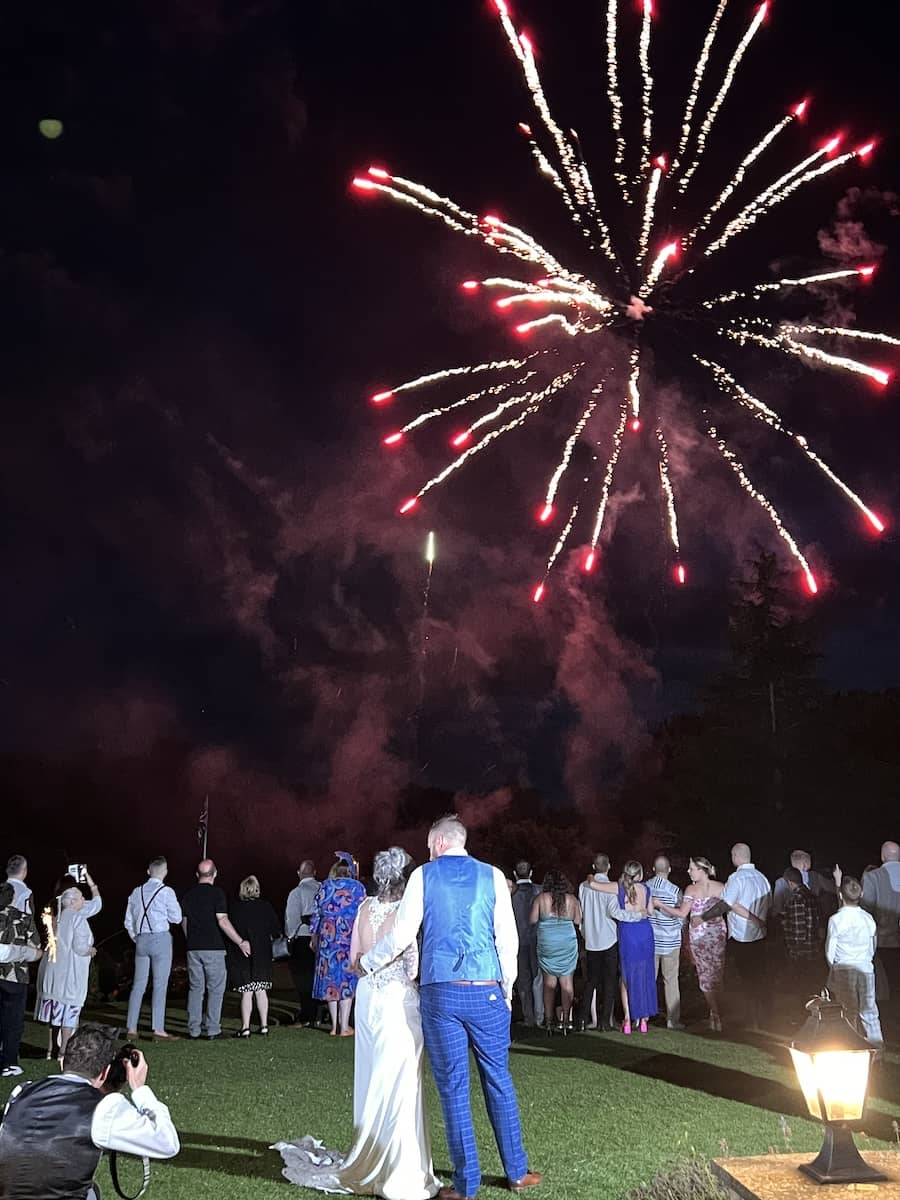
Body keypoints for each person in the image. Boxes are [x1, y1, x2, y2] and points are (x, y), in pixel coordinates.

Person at [360, 814, 540, 1200]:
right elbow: (506, 938)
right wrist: (506, 990)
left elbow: (402, 934)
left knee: (454, 1088)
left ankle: (466, 1184)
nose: (427, 852)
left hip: (441, 994)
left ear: (440, 843)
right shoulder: (493, 875)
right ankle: (517, 1172)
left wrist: (366, 961)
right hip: (486, 989)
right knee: (499, 1080)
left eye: (428, 845)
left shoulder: (423, 876)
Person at [275, 847, 440, 1199]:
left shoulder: (365, 907)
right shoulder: (406, 912)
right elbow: (412, 965)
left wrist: (370, 965)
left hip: (367, 998)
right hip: (397, 999)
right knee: (401, 1079)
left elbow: (352, 959)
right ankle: (398, 1164)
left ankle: (370, 1152)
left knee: (371, 1074)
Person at [0, 1023, 179, 1199]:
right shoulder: (103, 1107)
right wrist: (140, 1089)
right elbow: (167, 1143)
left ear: (63, 1063)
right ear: (104, 1073)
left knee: (91, 1189)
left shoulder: (21, 1091)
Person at [655, 857, 752, 1032]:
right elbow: (735, 906)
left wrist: (659, 904)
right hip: (716, 935)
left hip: (701, 936)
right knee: (716, 974)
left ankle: (715, 1012)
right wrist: (754, 918)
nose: (688, 872)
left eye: (691, 868)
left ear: (701, 870)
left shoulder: (691, 889)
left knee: (706, 976)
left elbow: (681, 913)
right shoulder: (721, 887)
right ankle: (715, 1012)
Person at [34, 872, 102, 1062]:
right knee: (69, 1014)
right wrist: (90, 950)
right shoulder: (77, 918)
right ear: (72, 900)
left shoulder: (57, 914)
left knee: (54, 1014)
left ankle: (50, 1050)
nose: (84, 900)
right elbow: (79, 947)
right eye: (81, 897)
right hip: (70, 974)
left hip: (53, 970)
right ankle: (64, 1051)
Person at [181, 859, 250, 1041]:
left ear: (197, 875)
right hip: (213, 947)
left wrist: (191, 939)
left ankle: (194, 1030)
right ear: (215, 873)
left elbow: (185, 922)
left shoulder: (188, 895)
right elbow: (223, 920)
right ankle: (213, 1029)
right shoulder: (217, 894)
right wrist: (240, 941)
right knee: (215, 989)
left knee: (196, 989)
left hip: (193, 948)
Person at [585, 861, 655, 1034]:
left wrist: (590, 875)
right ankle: (643, 1019)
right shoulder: (646, 889)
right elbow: (651, 911)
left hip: (628, 933)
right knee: (644, 973)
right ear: (639, 875)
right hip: (645, 932)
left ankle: (627, 1019)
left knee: (626, 977)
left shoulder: (618, 887)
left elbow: (593, 885)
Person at [577, 854, 641, 1033]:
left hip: (591, 940)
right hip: (609, 939)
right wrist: (637, 916)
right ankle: (605, 1021)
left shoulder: (583, 887)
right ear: (609, 866)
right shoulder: (611, 888)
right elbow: (616, 912)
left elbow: (583, 910)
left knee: (591, 982)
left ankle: (582, 1019)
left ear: (593, 866)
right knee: (610, 981)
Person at [124, 856, 183, 1040]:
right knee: (160, 985)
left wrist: (137, 938)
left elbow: (128, 921)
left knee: (138, 984)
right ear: (165, 872)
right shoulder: (167, 892)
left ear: (148, 871)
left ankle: (131, 1028)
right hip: (160, 939)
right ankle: (158, 1029)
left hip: (141, 939)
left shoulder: (136, 892)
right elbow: (177, 918)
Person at [311, 855, 367, 1037]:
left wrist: (314, 937)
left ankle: (334, 1026)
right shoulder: (358, 888)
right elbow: (364, 914)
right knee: (346, 981)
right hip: (349, 940)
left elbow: (316, 915)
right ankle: (344, 1026)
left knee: (330, 981)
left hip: (328, 940)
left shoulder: (325, 886)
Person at [826, 874, 883, 1045]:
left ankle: (852, 1045)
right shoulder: (868, 919)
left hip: (844, 968)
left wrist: (833, 967)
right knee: (870, 1011)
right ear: (862, 894)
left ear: (841, 896)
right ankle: (877, 1048)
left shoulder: (836, 920)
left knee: (848, 1010)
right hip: (865, 968)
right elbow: (873, 945)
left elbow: (830, 950)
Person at [722, 843, 772, 1029]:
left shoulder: (736, 878)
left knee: (746, 977)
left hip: (742, 934)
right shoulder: (763, 879)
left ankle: (750, 1017)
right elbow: (770, 903)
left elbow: (729, 903)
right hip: (760, 934)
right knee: (759, 974)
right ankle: (763, 1015)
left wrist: (754, 918)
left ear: (736, 856)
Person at [227, 875, 281, 1037]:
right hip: (263, 953)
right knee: (261, 990)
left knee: (247, 992)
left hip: (243, 952)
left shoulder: (235, 908)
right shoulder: (265, 907)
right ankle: (264, 1025)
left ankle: (245, 1027)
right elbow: (275, 929)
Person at [530, 871, 581, 1033]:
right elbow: (578, 920)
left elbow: (531, 919)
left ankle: (549, 1021)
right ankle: (566, 1020)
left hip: (548, 943)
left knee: (549, 984)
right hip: (567, 943)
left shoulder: (541, 899)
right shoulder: (572, 900)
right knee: (567, 982)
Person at [0, 885, 42, 1078]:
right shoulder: (23, 918)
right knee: (14, 1021)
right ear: (12, 898)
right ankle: (9, 1062)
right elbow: (36, 947)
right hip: (15, 976)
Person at [861, 840, 900, 1017]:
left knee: (885, 989)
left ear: (883, 856)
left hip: (883, 942)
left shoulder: (872, 877)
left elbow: (866, 911)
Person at [647, 855, 685, 1030]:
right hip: (671, 941)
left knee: (649, 979)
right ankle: (672, 1019)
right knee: (671, 980)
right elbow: (682, 915)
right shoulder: (675, 890)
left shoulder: (645, 887)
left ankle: (643, 1017)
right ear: (669, 869)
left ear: (654, 869)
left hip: (652, 941)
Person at [285, 860, 321, 1027]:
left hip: (303, 938)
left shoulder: (297, 892)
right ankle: (319, 1012)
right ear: (314, 872)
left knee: (303, 978)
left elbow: (291, 918)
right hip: (324, 938)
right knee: (318, 977)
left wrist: (290, 937)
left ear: (299, 873)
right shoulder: (323, 888)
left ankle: (306, 1015)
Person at [780, 866, 822, 1003]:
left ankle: (802, 1014)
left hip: (802, 951)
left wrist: (794, 949)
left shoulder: (796, 898)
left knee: (801, 986)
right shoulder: (812, 896)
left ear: (790, 882)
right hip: (814, 948)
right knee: (813, 984)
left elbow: (799, 928)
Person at [510, 861, 542, 1028]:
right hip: (537, 939)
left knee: (523, 981)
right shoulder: (540, 891)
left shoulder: (511, 894)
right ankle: (540, 1015)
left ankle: (528, 1017)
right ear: (531, 873)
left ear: (515, 874)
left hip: (519, 940)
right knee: (538, 978)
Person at [772, 850, 836, 927]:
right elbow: (834, 889)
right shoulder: (815, 877)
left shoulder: (780, 882)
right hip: (813, 925)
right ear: (805, 865)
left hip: (789, 926)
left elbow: (777, 910)